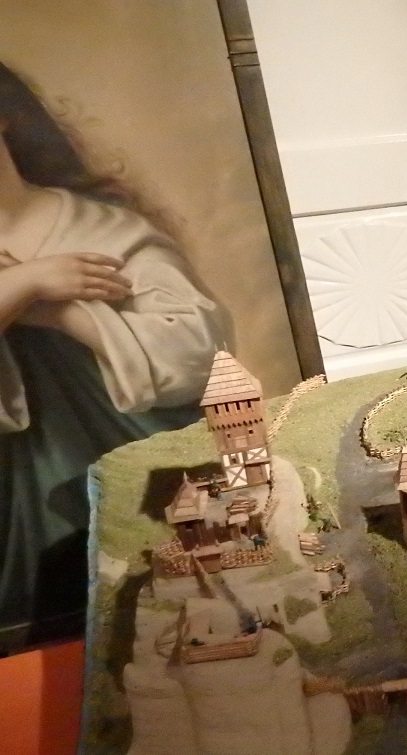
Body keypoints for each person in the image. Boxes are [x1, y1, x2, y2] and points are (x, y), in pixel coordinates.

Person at [0, 60, 224, 640]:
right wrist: (23, 286)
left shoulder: (103, 229)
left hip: (134, 463)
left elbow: (198, 349)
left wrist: (67, 316)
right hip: (19, 506)